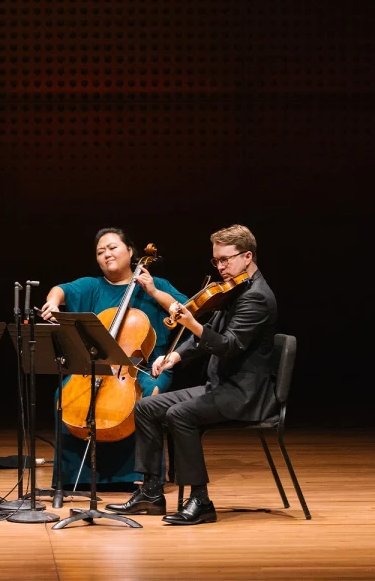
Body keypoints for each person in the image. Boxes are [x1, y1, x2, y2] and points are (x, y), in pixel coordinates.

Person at [106, 224, 278, 525]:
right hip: (220, 387)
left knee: (179, 415)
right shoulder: (236, 289)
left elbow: (229, 346)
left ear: (247, 256)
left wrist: (194, 324)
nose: (220, 267)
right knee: (146, 406)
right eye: (216, 261)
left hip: (244, 395)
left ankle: (200, 501)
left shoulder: (257, 298)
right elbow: (206, 338)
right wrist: (174, 356)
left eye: (226, 259)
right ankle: (150, 492)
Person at [39, 228, 188, 490]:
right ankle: (75, 477)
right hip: (98, 367)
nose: (106, 254)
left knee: (146, 398)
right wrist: (52, 302)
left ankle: (142, 474)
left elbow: (186, 312)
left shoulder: (158, 284)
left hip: (148, 367)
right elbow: (60, 290)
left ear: (131, 251)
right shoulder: (92, 286)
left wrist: (153, 291)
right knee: (63, 397)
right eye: (100, 251)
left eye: (113, 247)